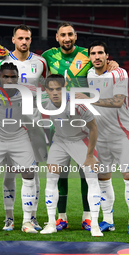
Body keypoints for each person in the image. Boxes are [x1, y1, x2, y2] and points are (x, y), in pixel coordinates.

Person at [41, 22, 118, 231]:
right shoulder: (47, 56)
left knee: (87, 171)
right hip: (60, 121)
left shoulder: (87, 55)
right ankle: (61, 217)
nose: (67, 38)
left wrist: (113, 64)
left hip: (84, 119)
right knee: (60, 172)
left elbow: (103, 64)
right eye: (63, 35)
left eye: (70, 35)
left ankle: (87, 217)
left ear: (75, 36)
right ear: (57, 37)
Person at [0, 24, 48, 231]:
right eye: (20, 38)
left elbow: (47, 88)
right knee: (10, 172)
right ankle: (9, 217)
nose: (24, 42)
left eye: (28, 38)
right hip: (9, 124)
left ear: (31, 40)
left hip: (33, 124)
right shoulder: (2, 61)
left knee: (32, 172)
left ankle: (31, 218)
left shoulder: (40, 62)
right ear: (13, 39)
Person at [39, 74, 102, 237]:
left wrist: (89, 156)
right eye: (51, 89)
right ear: (46, 90)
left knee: (92, 179)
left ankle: (94, 224)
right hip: (59, 141)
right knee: (51, 179)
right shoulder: (44, 101)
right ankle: (51, 223)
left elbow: (94, 128)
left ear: (64, 87)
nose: (55, 93)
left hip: (81, 140)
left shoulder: (78, 103)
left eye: (58, 89)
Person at [76, 41, 129, 233]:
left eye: (100, 53)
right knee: (103, 179)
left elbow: (117, 101)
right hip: (100, 136)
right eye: (93, 53)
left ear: (108, 56)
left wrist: (89, 99)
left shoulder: (119, 73)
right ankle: (108, 220)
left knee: (127, 177)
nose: (97, 56)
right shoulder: (89, 74)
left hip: (122, 134)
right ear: (89, 57)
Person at [0, 62, 37, 234]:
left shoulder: (29, 91)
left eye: (13, 77)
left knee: (29, 174)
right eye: (6, 77)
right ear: (0, 78)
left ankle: (27, 221)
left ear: (18, 78)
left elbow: (54, 93)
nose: (10, 80)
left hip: (20, 137)